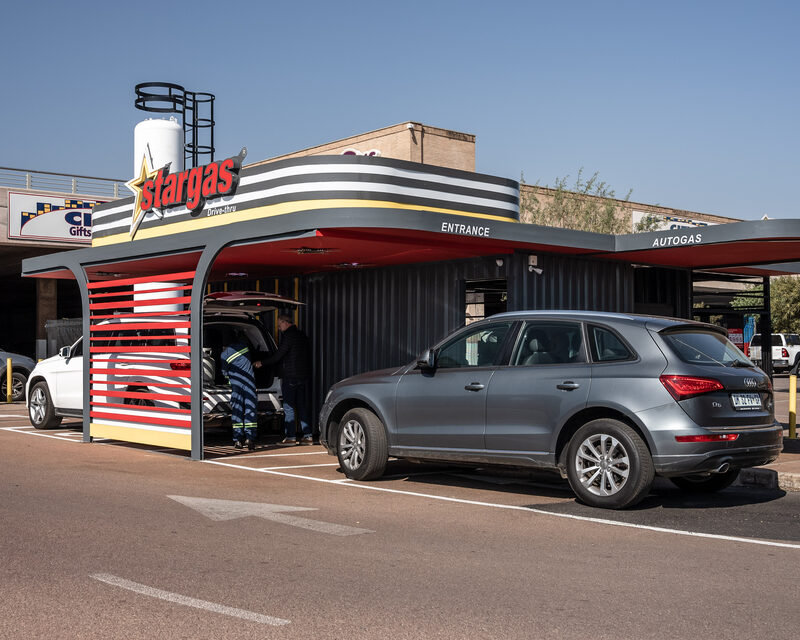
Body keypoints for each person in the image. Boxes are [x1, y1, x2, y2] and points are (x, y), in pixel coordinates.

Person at [255, 314, 312, 445]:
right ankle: (308, 436)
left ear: (285, 323)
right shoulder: (302, 335)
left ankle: (291, 437)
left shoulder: (288, 336)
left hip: (291, 377)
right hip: (303, 377)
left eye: (279, 325)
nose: (279, 328)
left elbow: (278, 356)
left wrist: (262, 363)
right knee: (302, 406)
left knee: (289, 407)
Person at [220, 331, 258, 450]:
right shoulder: (244, 347)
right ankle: (250, 438)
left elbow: (225, 373)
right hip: (250, 384)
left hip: (236, 386)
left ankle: (238, 441)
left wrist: (229, 381)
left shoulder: (224, 355)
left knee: (237, 411)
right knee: (250, 411)